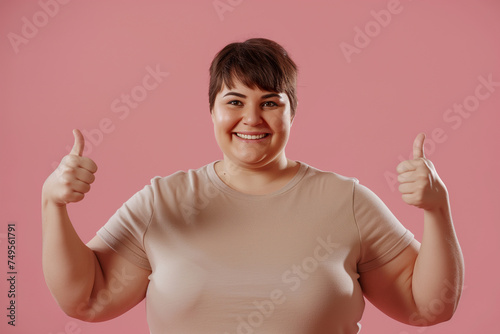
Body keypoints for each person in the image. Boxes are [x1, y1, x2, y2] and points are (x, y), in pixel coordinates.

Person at [42, 38, 464, 333]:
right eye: (234, 101)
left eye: (270, 103)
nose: (252, 118)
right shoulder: (163, 201)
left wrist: (437, 208)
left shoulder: (347, 201)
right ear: (211, 111)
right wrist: (52, 204)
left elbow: (428, 307)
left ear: (292, 114)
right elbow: (88, 301)